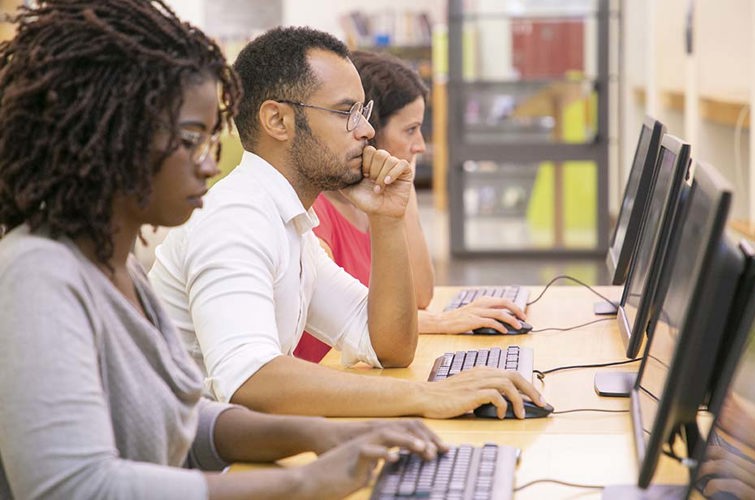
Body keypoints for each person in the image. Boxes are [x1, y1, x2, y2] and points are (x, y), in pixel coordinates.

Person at [0, 2, 446, 498]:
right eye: (192, 139)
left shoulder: (115, 267)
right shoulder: (37, 275)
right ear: (114, 139)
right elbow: (76, 487)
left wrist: (323, 433)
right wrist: (304, 479)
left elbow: (183, 422)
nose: (209, 164)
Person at [148, 25, 546, 419]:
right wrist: (426, 396)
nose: (367, 131)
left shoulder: (290, 222)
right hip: (200, 471)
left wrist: (386, 220)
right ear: (278, 120)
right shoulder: (236, 219)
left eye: (363, 112)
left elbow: (388, 344)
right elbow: (249, 380)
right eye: (346, 113)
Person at [294, 50, 529, 363]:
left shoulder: (368, 209)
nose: (420, 144)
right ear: (369, 134)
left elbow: (419, 296)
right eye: (409, 130)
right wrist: (446, 321)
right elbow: (351, 325)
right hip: (332, 381)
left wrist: (406, 192)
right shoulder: (317, 216)